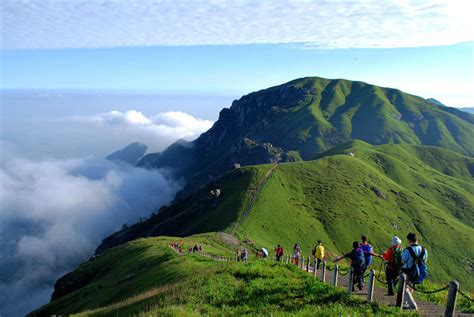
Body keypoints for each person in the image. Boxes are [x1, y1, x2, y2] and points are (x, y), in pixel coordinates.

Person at [401, 232, 428, 310]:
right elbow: (425, 261)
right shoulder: (424, 250)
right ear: (417, 240)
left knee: (404, 287)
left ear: (409, 240)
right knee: (411, 287)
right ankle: (406, 304)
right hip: (419, 272)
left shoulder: (408, 250)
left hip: (408, 272)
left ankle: (413, 305)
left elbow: (402, 260)